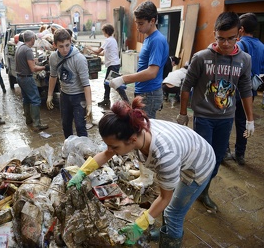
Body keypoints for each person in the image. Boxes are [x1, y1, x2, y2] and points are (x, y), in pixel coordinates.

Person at [67, 97, 215, 246]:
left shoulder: (165, 156)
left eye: (114, 147)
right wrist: (82, 172)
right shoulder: (134, 128)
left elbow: (165, 198)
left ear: (132, 140)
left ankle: (170, 242)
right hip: (186, 148)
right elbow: (107, 154)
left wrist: (139, 225)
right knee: (167, 204)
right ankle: (164, 231)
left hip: (199, 165)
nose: (110, 150)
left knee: (173, 212)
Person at [177, 12, 254, 213]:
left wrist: (250, 119)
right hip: (203, 117)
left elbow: (245, 89)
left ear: (239, 33)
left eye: (231, 38)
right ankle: (186, 191)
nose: (226, 43)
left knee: (218, 157)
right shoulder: (202, 58)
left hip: (226, 118)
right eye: (221, 38)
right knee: (202, 158)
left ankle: (203, 191)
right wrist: (183, 113)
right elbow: (187, 85)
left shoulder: (244, 59)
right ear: (214, 34)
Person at [109, 0, 169, 119]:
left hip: (150, 93)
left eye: (140, 23)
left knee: (144, 130)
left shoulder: (156, 40)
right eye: (136, 23)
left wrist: (124, 79)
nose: (137, 27)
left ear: (152, 21)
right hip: (144, 91)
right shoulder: (148, 38)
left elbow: (152, 72)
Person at [225, 13, 264, 166]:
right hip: (251, 91)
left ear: (240, 29)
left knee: (227, 119)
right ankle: (240, 154)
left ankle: (224, 151)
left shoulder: (239, 45)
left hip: (234, 90)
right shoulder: (262, 46)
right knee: (244, 121)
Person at [46, 29, 92, 139]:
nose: (65, 49)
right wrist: (49, 95)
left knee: (80, 126)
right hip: (64, 95)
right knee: (66, 125)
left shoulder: (79, 59)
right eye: (61, 46)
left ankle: (84, 152)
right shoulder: (53, 58)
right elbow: (53, 77)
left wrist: (89, 104)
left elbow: (86, 84)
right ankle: (70, 149)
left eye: (67, 45)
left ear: (71, 42)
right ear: (55, 45)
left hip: (79, 96)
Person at [87, 23, 129, 107]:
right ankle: (107, 100)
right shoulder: (112, 40)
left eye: (103, 31)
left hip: (113, 65)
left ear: (106, 31)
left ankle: (125, 101)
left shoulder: (108, 40)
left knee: (113, 83)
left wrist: (90, 48)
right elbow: (103, 53)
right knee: (108, 83)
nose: (103, 33)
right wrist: (93, 52)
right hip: (114, 64)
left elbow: (98, 51)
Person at [15, 30, 49, 131]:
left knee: (26, 98)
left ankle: (28, 120)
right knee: (35, 100)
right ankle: (37, 124)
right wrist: (45, 67)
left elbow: (28, 61)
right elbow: (33, 69)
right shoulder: (28, 50)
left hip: (19, 77)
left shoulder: (20, 47)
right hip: (26, 78)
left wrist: (38, 61)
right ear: (32, 39)